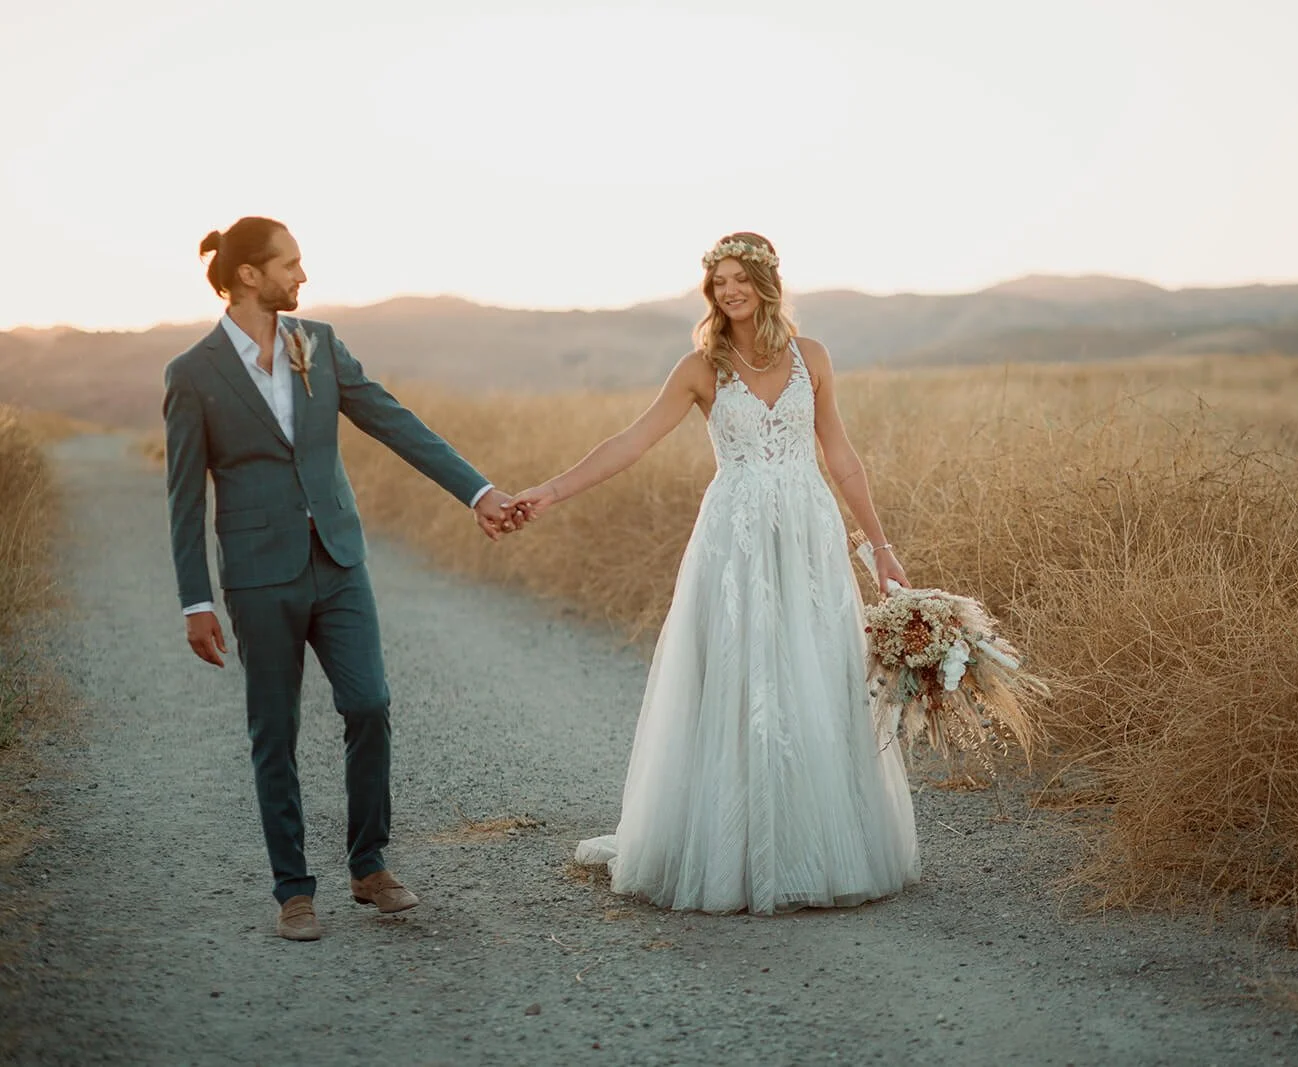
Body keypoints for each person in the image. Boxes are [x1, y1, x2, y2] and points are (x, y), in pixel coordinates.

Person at [509, 232, 920, 914]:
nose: (728, 290)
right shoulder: (701, 368)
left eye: (739, 277)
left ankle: (820, 842)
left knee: (813, 675)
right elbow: (632, 441)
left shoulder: (810, 358)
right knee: (741, 677)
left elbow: (840, 456)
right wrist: (551, 492)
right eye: (718, 280)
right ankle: (740, 850)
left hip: (810, 535)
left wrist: (878, 545)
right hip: (735, 541)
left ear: (765, 282)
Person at [162, 217, 528, 941]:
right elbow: (183, 495)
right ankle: (294, 889)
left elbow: (394, 421)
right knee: (276, 728)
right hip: (259, 578)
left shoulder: (319, 345)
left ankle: (369, 862)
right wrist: (196, 599)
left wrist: (478, 492)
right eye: (290, 264)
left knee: (369, 703)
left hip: (339, 560)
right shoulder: (193, 373)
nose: (303, 277)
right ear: (247, 277)